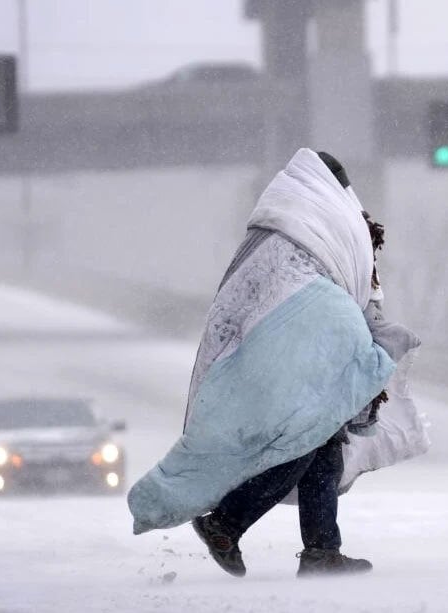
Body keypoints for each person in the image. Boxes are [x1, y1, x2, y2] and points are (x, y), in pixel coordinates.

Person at [127, 148, 418, 578]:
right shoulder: (319, 223)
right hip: (292, 350)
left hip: (278, 350)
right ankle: (227, 522)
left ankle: (321, 550)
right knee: (304, 439)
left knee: (321, 444)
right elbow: (329, 288)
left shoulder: (282, 226)